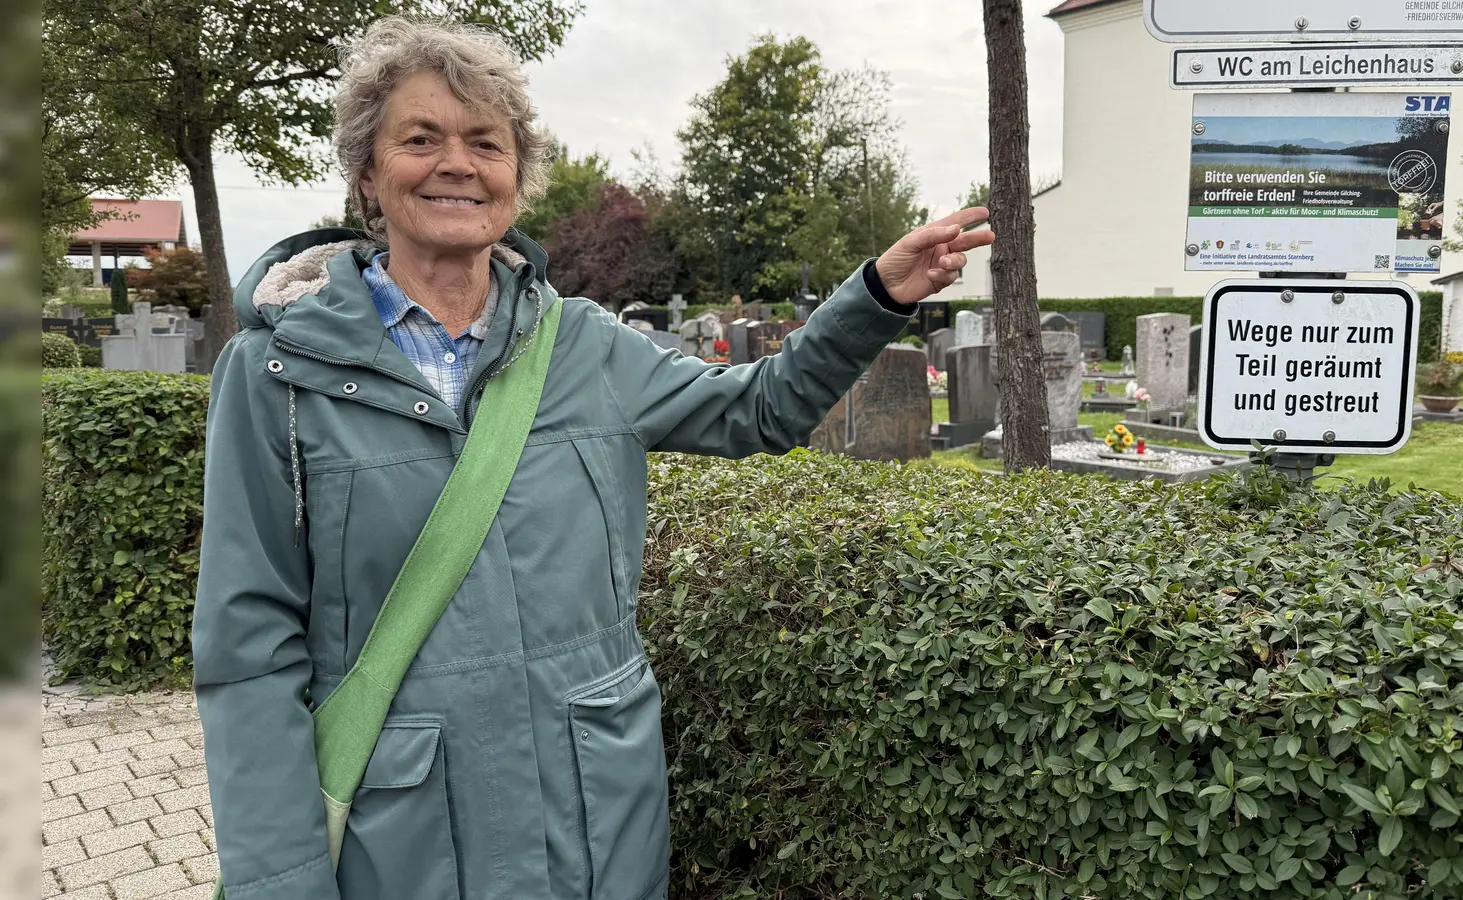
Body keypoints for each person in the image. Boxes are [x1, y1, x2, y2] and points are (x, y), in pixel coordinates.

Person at [192, 16, 993, 900]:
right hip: (403, 845)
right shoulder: (277, 375)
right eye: (419, 139)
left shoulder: (585, 347)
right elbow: (249, 649)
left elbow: (759, 410)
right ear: (367, 175)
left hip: (597, 825)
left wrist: (874, 296)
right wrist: (282, 881)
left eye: (485, 143)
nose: (457, 163)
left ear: (516, 176)